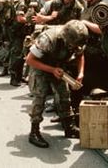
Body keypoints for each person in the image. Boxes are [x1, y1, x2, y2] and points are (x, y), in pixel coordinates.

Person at [26, 20, 88, 148]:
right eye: (72, 45)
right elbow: (30, 60)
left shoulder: (77, 39)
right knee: (40, 97)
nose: (74, 48)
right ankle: (34, 132)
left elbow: (80, 55)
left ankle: (69, 127)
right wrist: (51, 70)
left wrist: (81, 73)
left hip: (58, 67)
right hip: (40, 67)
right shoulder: (48, 39)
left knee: (64, 96)